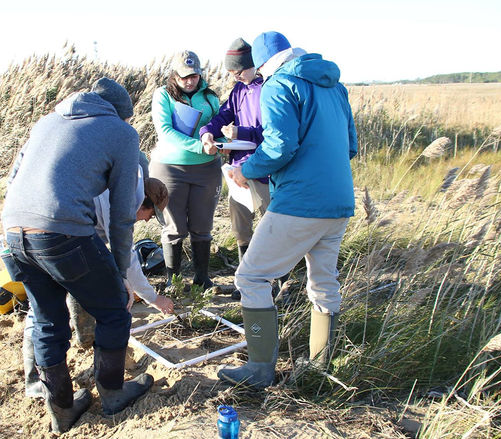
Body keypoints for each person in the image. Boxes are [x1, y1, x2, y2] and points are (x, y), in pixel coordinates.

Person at [2, 77, 153, 433]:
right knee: (114, 310)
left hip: (12, 231)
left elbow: (14, 179)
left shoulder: (47, 121)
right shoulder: (121, 132)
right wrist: (119, 273)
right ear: (121, 114)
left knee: (47, 320)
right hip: (61, 229)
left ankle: (62, 409)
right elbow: (121, 215)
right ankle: (113, 394)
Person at [217, 32, 357, 389]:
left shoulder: (279, 84)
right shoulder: (335, 87)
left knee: (250, 278)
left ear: (264, 64)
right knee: (324, 283)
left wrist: (244, 170)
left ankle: (260, 368)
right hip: (339, 201)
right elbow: (351, 146)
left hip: (300, 202)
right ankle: (319, 368)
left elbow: (280, 147)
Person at [22, 176, 174, 400]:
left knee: (42, 312)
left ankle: (37, 383)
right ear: (143, 204)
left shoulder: (113, 187)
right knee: (112, 307)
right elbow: (127, 258)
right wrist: (154, 298)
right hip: (55, 236)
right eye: (150, 215)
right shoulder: (122, 201)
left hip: (21, 231)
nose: (146, 221)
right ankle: (111, 390)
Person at [198, 38, 282, 299]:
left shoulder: (269, 88)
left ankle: (280, 285)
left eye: (239, 71)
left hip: (264, 170)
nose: (236, 76)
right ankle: (247, 282)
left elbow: (275, 133)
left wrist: (241, 131)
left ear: (254, 65)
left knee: (272, 227)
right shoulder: (237, 90)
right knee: (241, 228)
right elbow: (220, 118)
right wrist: (207, 135)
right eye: (232, 73)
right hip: (236, 169)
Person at [149, 50, 222, 290]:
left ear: (200, 74)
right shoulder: (163, 96)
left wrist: (224, 142)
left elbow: (218, 128)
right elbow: (165, 131)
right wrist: (200, 147)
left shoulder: (210, 97)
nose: (189, 81)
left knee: (202, 225)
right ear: (174, 75)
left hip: (206, 170)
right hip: (169, 168)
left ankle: (202, 279)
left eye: (193, 76)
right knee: (174, 227)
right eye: (183, 77)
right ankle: (174, 281)